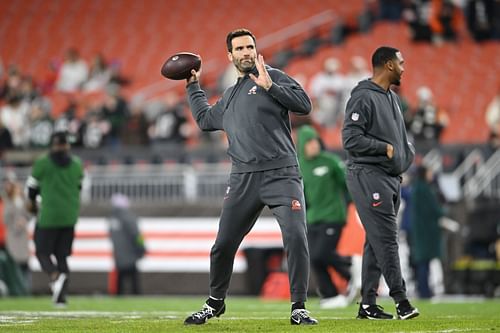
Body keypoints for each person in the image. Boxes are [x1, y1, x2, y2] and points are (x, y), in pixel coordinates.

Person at [183, 28, 317, 326]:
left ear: (256, 51)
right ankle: (215, 302)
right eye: (240, 49)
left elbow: (305, 106)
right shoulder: (230, 95)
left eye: (250, 47)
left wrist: (271, 86)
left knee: (295, 236)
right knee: (223, 244)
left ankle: (299, 307)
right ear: (230, 56)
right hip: (243, 178)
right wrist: (193, 86)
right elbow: (205, 120)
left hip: (282, 174)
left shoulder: (274, 76)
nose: (246, 52)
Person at [342, 46, 419, 320]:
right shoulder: (363, 97)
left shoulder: (392, 98)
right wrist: (385, 148)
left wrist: (404, 153)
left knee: (376, 241)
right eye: (400, 62)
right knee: (386, 239)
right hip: (368, 175)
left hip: (390, 178)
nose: (403, 67)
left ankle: (367, 304)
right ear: (388, 65)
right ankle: (401, 301)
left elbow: (399, 140)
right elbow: (350, 139)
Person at [296, 125, 361, 309]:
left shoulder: (331, 161)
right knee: (314, 259)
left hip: (333, 216)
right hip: (312, 218)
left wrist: (346, 205)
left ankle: (350, 273)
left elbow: (347, 186)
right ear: (302, 145)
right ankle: (331, 295)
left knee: (321, 253)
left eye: (315, 141)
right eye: (309, 142)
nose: (313, 145)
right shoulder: (299, 166)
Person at [26, 131, 84, 306]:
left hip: (49, 216)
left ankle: (55, 276)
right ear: (67, 145)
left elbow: (31, 189)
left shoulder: (43, 162)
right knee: (62, 256)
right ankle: (61, 297)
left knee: (42, 252)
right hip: (69, 216)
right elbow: (80, 187)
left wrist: (33, 205)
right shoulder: (77, 164)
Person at [410, 165, 444, 299]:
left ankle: (423, 289)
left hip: (420, 229)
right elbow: (434, 209)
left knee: (423, 260)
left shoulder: (416, 188)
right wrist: (443, 212)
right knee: (424, 261)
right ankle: (424, 291)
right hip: (426, 230)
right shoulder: (424, 189)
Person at [108, 193, 145, 295]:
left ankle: (118, 295)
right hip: (130, 253)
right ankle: (136, 294)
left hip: (118, 255)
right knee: (133, 278)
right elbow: (137, 234)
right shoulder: (128, 217)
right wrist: (142, 247)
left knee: (120, 277)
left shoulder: (111, 218)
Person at [1, 171, 31, 293]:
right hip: (12, 240)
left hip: (22, 240)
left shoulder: (23, 202)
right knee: (13, 267)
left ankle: (25, 289)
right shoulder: (7, 203)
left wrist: (24, 220)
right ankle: (16, 290)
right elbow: (5, 219)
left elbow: (31, 213)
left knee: (24, 266)